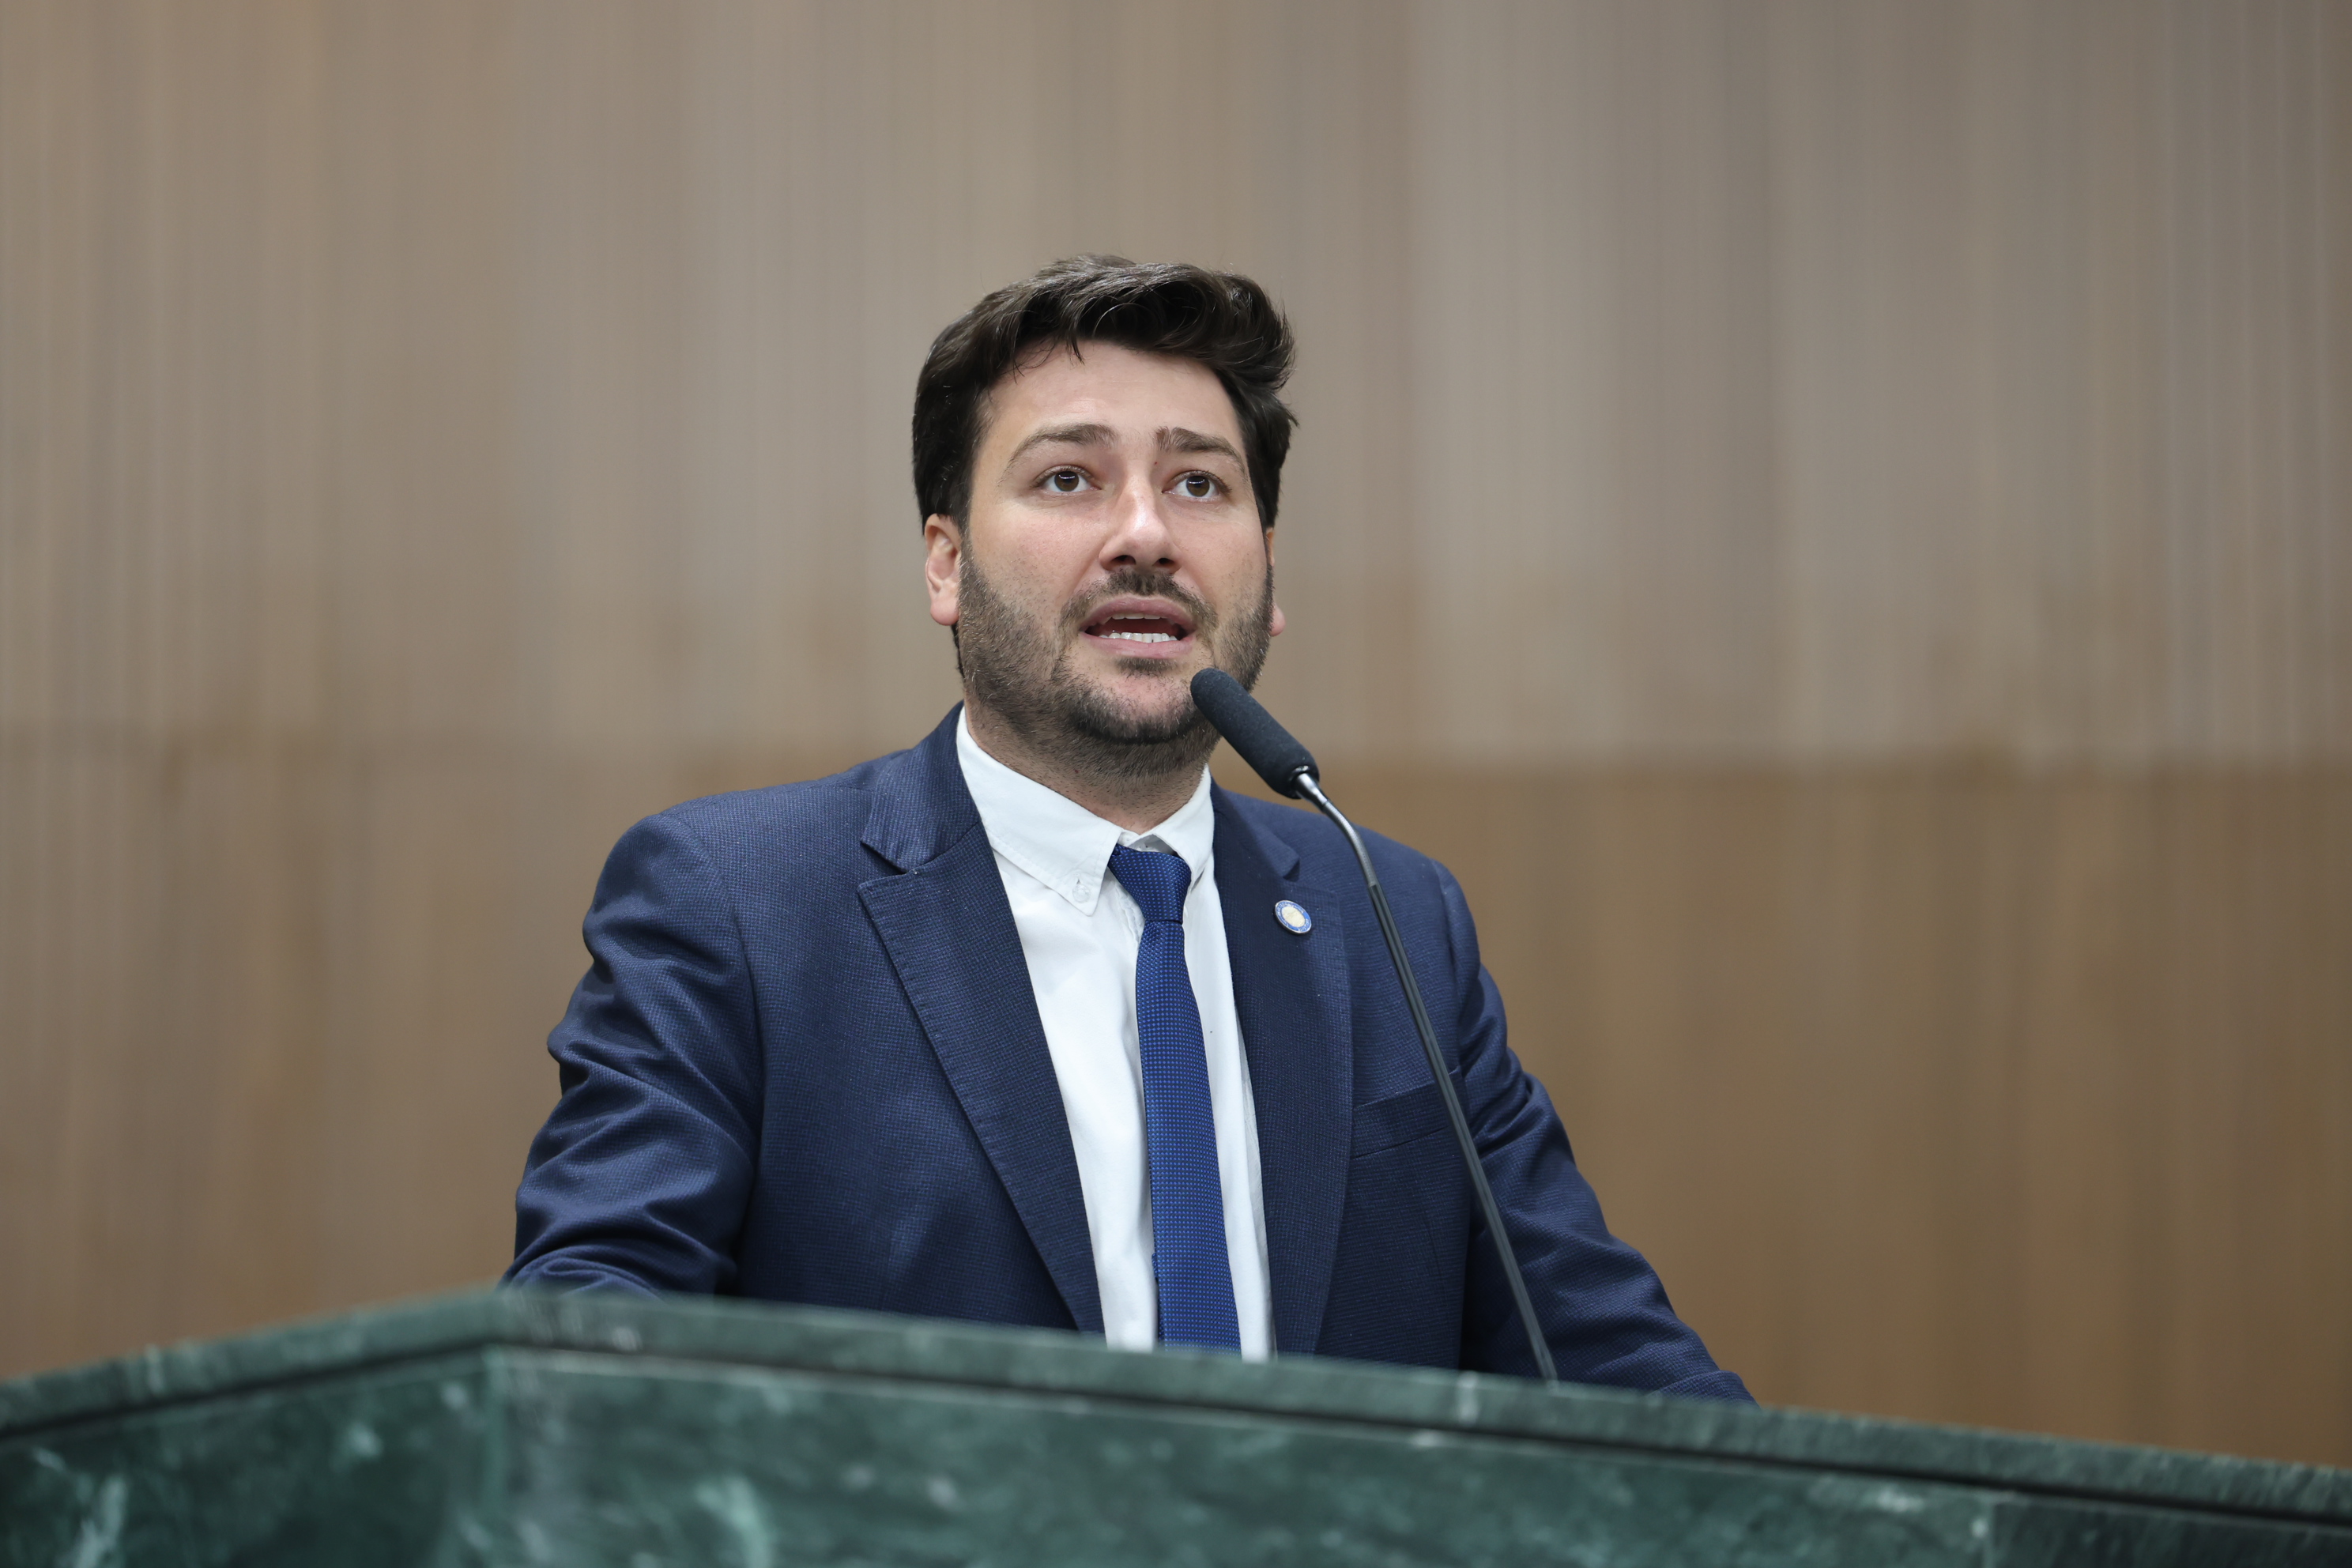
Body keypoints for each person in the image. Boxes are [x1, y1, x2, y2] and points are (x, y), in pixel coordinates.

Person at [507, 256, 1750, 1400]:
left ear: (1268, 575)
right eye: (1069, 479)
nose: (1147, 534)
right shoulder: (739, 904)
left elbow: (1608, 1364)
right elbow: (587, 1347)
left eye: (1200, 484)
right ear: (946, 565)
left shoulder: (1392, 920)